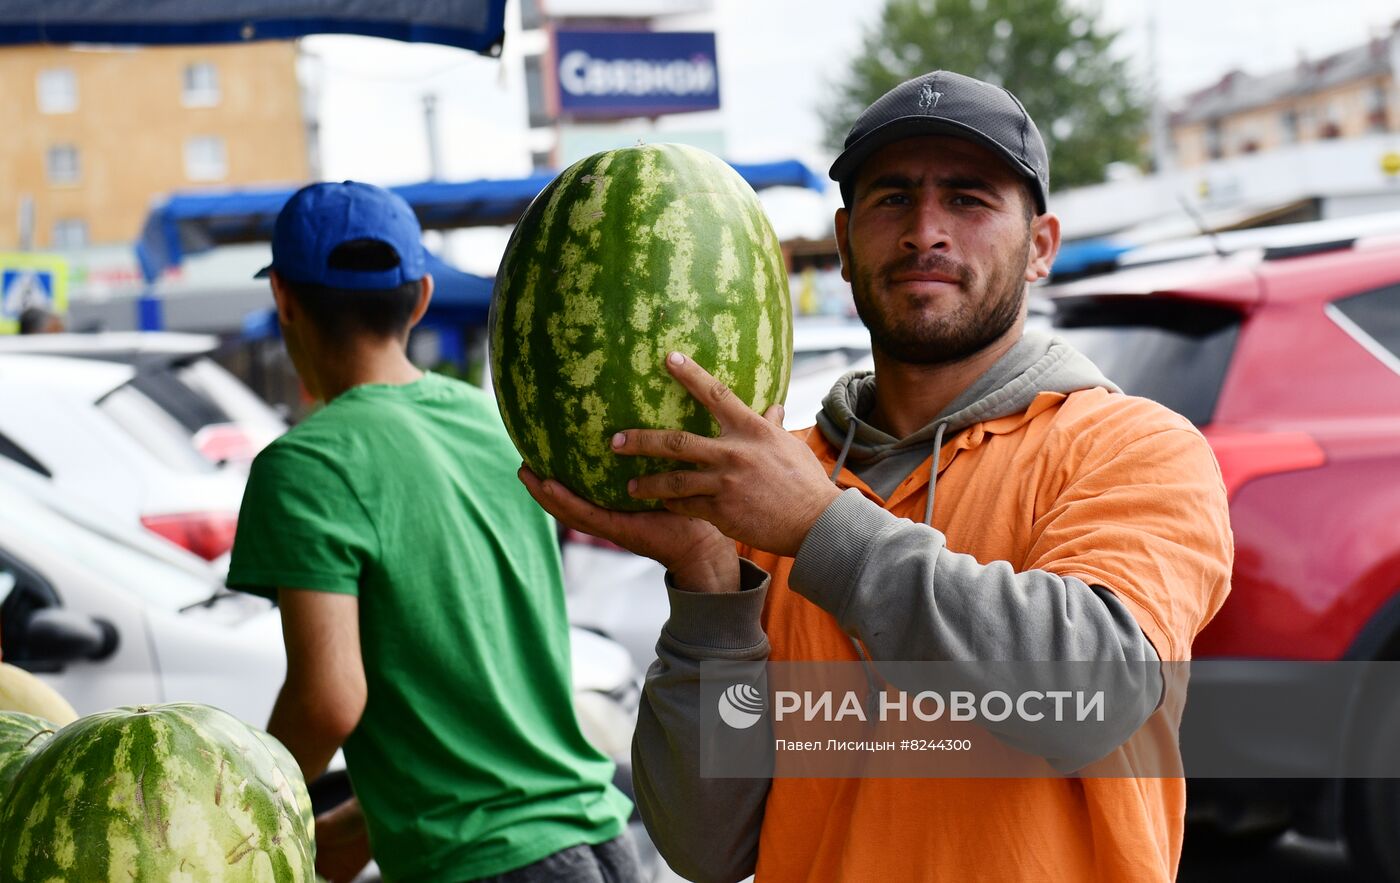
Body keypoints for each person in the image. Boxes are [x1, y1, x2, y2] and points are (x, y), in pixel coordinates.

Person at [521, 70, 1234, 882]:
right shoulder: (765, 484)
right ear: (844, 241)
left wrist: (819, 527)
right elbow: (708, 846)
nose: (925, 231)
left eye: (968, 199)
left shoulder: (1135, 448)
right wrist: (708, 578)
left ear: (1040, 246)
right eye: (892, 198)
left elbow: (1093, 699)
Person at [227, 181, 636, 883]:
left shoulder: (306, 464)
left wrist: (241, 827)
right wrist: (364, 823)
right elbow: (477, 677)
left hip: (483, 867)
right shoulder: (492, 425)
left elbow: (328, 699)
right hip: (600, 836)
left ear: (283, 298)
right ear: (419, 297)